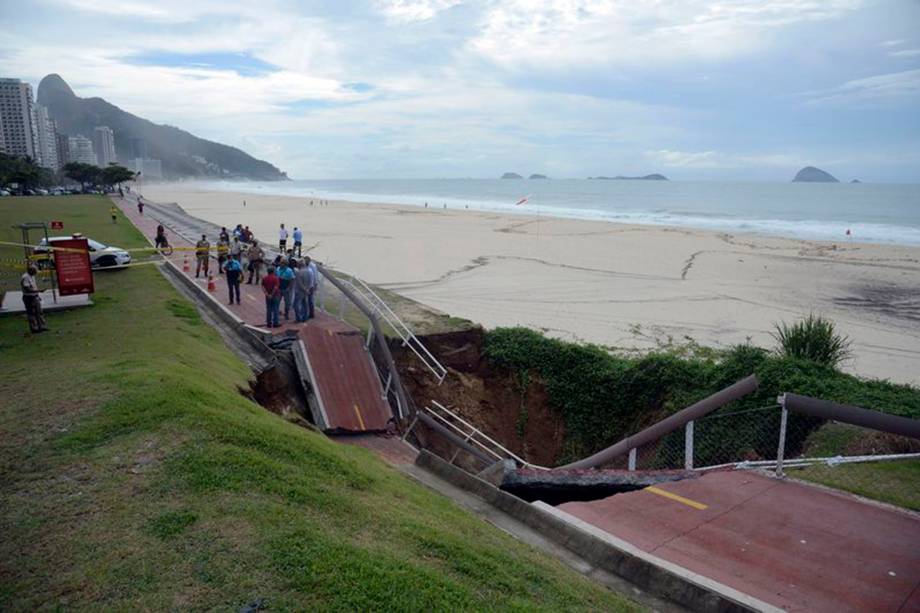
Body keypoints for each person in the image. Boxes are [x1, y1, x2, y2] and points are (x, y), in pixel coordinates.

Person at [21, 264, 48, 333]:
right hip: (28, 297)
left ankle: (42, 326)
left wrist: (38, 295)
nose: (36, 273)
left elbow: (33, 286)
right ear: (31, 271)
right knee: (31, 313)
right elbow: (27, 289)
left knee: (39, 312)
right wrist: (39, 291)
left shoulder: (32, 276)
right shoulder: (25, 277)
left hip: (35, 296)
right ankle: (34, 328)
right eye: (35, 271)